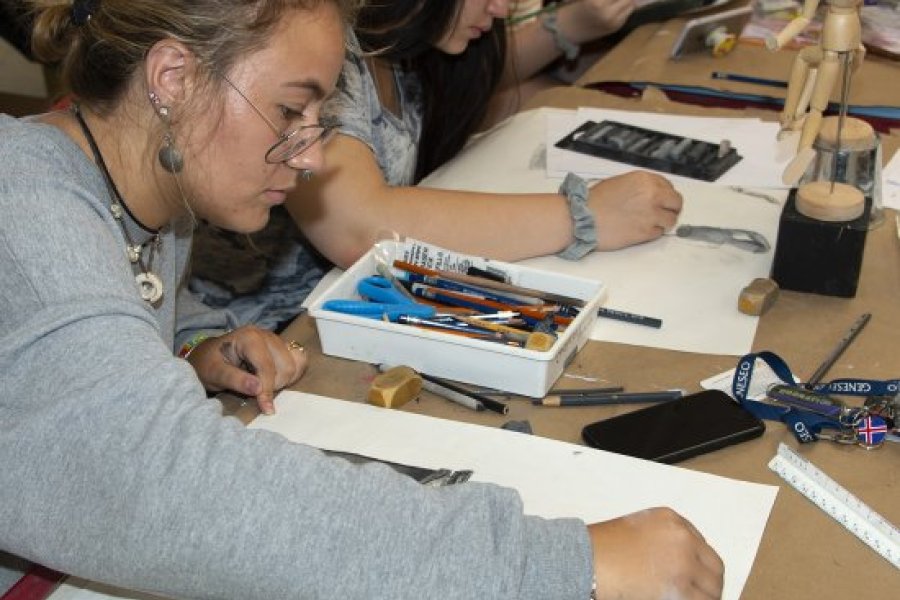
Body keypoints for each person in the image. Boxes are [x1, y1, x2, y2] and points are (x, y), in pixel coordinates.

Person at [0, 1, 723, 599]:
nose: (312, 156)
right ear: (172, 76)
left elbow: (50, 391)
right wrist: (563, 564)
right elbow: (167, 490)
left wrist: (189, 359)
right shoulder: (27, 207)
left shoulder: (158, 193)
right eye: (291, 111)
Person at [189, 0, 681, 331]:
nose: (503, 8)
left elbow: (498, 95)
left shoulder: (409, 55)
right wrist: (581, 214)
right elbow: (364, 228)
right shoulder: (325, 57)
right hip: (255, 342)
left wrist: (569, 28)